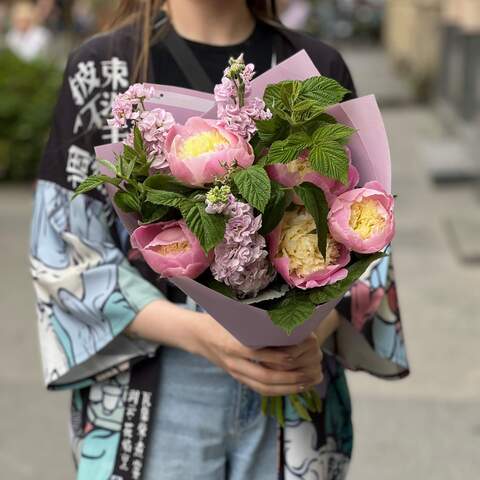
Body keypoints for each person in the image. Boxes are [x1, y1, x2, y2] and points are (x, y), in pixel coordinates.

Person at [30, 1, 409, 479]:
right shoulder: (104, 69)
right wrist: (203, 335)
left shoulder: (316, 67)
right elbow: (62, 253)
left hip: (292, 381)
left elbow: (367, 233)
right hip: (159, 378)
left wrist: (310, 334)